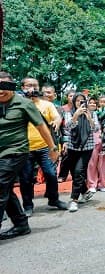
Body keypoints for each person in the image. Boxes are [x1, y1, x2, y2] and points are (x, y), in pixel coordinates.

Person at [0, 71, 58, 240]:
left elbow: (41, 127)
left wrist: (53, 148)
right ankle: (21, 224)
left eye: (5, 86)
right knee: (6, 189)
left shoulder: (24, 104)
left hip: (16, 152)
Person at [18, 77, 67, 217]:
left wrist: (57, 122)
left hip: (46, 146)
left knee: (51, 174)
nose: (32, 88)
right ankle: (27, 206)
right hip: (25, 147)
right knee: (26, 178)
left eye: (35, 85)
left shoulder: (47, 104)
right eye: (28, 86)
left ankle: (54, 199)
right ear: (22, 87)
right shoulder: (18, 104)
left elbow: (57, 117)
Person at [63, 93, 99, 212]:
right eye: (77, 101)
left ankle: (74, 200)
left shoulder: (92, 113)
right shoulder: (70, 113)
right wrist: (76, 116)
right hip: (73, 147)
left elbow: (96, 129)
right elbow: (68, 128)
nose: (80, 103)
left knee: (79, 171)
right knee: (74, 173)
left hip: (87, 148)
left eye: (82, 101)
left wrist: (89, 118)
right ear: (74, 102)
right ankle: (85, 191)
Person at [87, 97, 105, 192]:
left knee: (104, 164)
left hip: (103, 140)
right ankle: (92, 184)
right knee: (92, 164)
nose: (92, 104)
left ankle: (102, 184)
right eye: (90, 103)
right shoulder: (85, 114)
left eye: (94, 103)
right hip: (91, 141)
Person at [58, 89, 76, 182]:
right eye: (70, 96)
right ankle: (62, 175)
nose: (72, 97)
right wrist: (63, 139)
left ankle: (75, 175)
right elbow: (60, 124)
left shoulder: (78, 108)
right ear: (67, 97)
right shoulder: (62, 109)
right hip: (66, 135)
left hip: (76, 136)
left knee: (75, 157)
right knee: (65, 156)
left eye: (74, 96)